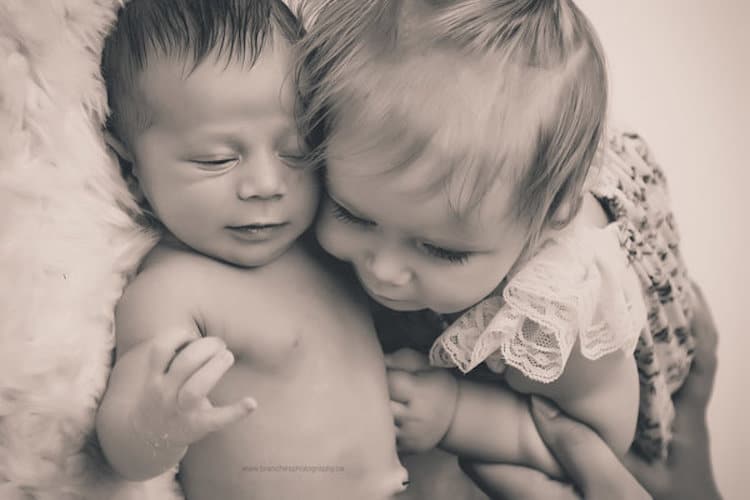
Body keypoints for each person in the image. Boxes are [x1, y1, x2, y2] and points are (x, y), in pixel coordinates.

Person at [297, 0, 696, 489]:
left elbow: (601, 433)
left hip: (594, 376)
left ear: (545, 224)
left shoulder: (560, 306)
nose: (384, 269)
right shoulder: (391, 175)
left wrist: (458, 413)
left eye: (441, 250)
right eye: (352, 213)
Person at [95, 1, 408, 499]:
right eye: (216, 159)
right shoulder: (175, 287)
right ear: (132, 171)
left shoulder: (330, 243)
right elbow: (122, 440)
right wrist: (155, 425)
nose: (266, 184)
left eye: (296, 151)